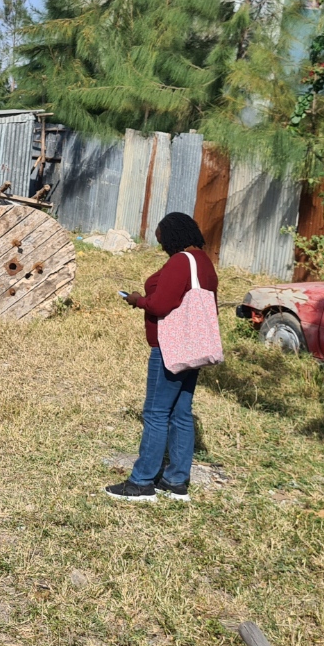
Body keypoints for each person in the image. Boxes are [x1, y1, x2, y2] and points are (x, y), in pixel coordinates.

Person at [105, 212, 218, 503]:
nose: (163, 247)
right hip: (192, 348)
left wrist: (137, 300)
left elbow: (160, 304)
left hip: (169, 348)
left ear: (174, 236)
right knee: (181, 413)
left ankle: (141, 482)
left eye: (162, 240)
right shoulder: (204, 263)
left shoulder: (181, 261)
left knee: (156, 413)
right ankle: (176, 482)